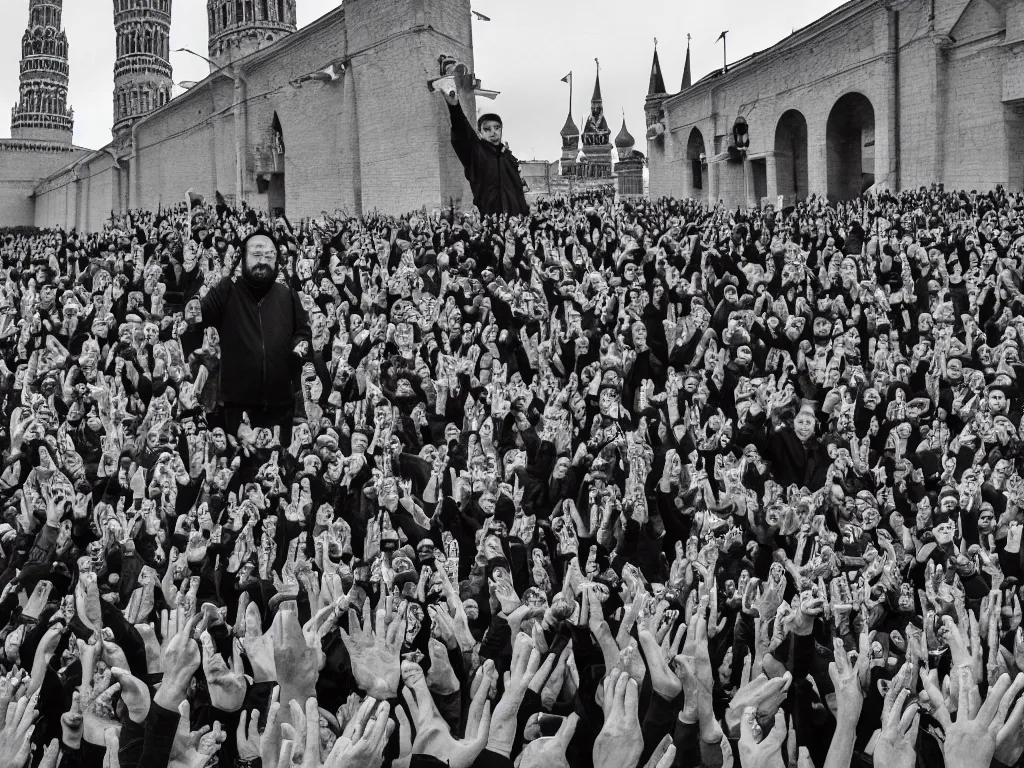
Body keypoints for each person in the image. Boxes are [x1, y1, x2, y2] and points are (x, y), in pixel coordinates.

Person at [188, 229, 310, 447]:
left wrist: (298, 349)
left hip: (280, 401)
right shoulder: (226, 290)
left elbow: (303, 331)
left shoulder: (286, 295)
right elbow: (200, 318)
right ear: (243, 257)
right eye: (256, 254)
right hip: (238, 406)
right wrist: (193, 311)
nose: (262, 261)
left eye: (269, 256)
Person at [443, 86, 529, 218]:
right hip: (490, 221)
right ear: (480, 132)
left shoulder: (509, 158)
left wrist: (525, 215)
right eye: (487, 129)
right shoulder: (476, 152)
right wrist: (455, 108)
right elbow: (463, 135)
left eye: (497, 128)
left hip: (514, 222)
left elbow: (518, 191)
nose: (493, 132)